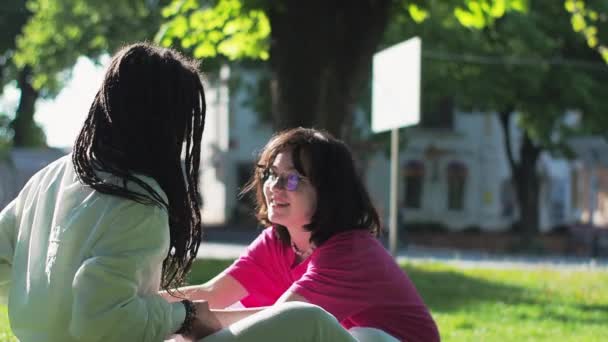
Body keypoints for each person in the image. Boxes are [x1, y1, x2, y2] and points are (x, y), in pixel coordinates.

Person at [0, 42, 216, 341]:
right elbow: (105, 322)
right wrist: (185, 314)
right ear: (168, 121)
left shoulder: (53, 175)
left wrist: (42, 301)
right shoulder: (138, 203)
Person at [169, 128, 440, 342]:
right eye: (272, 174)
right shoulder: (278, 240)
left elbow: (283, 322)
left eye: (293, 179)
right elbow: (213, 292)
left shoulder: (351, 252)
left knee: (303, 318)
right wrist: (138, 305)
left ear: (328, 191)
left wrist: (187, 321)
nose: (274, 187)